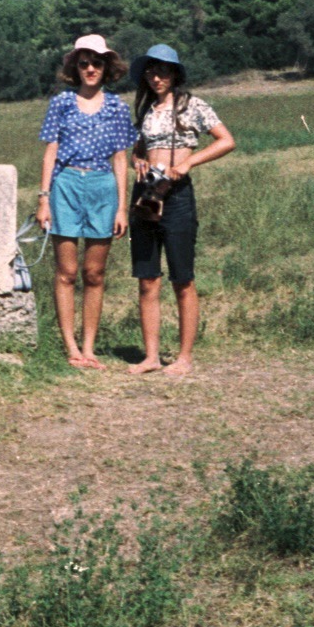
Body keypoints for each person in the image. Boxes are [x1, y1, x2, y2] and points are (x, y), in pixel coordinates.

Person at [127, 44, 234, 377]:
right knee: (147, 279)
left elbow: (225, 140)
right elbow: (138, 151)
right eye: (150, 71)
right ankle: (151, 357)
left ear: (175, 74)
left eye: (162, 71)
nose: (156, 77)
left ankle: (185, 357)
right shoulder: (146, 110)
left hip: (177, 198)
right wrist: (138, 162)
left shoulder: (192, 106)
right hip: (146, 195)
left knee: (182, 279)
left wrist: (189, 162)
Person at [35, 34, 138, 369]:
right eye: (84, 63)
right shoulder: (61, 103)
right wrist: (44, 198)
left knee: (94, 272)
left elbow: (120, 159)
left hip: (102, 187)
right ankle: (70, 347)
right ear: (75, 67)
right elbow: (50, 152)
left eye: (97, 62)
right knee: (66, 271)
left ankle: (89, 347)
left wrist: (122, 207)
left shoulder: (117, 107)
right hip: (65, 185)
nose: (91, 69)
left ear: (107, 67)